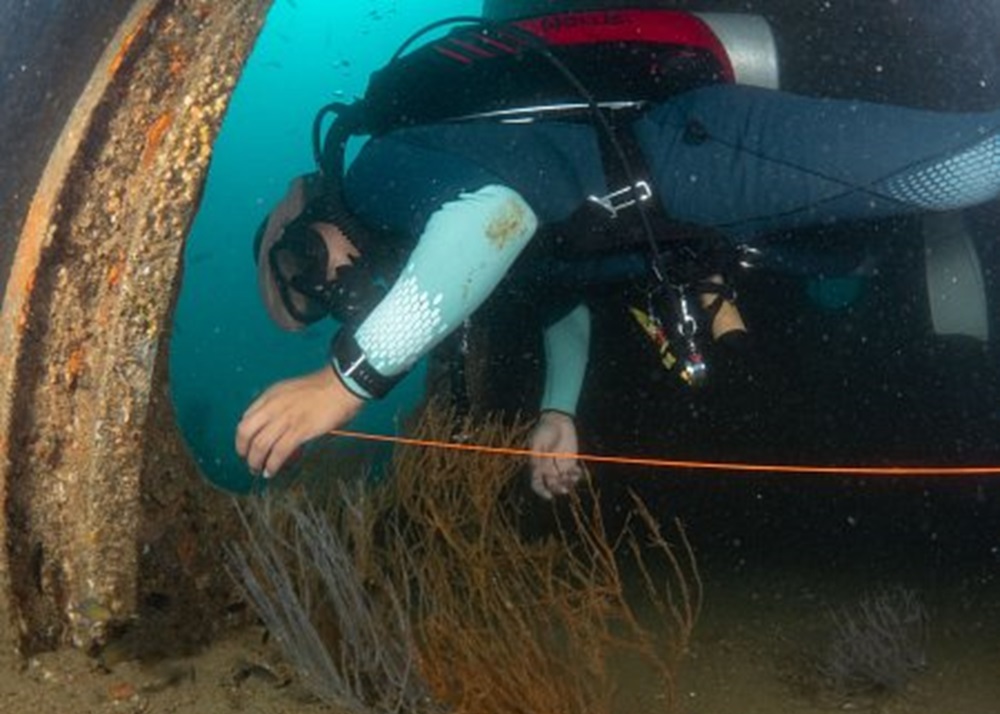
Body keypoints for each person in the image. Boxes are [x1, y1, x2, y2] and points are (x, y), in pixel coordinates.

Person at [236, 12, 1000, 496]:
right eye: (324, 305)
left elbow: (497, 216)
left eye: (304, 264)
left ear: (310, 206)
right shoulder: (425, 255)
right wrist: (557, 410)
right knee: (866, 251)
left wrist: (346, 380)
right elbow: (559, 300)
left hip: (691, 151)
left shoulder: (378, 174)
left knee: (956, 166)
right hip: (696, 228)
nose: (336, 285)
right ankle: (935, 236)